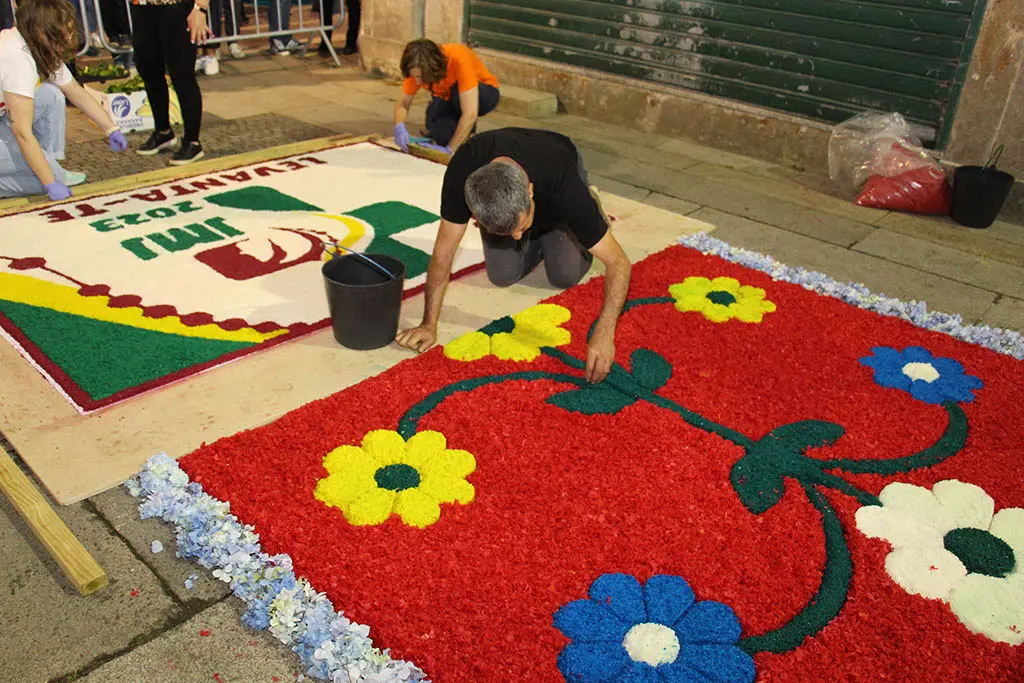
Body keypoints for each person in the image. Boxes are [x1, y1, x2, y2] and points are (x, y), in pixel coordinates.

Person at [395, 128, 631, 384]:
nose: (517, 238)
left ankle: (584, 215)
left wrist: (605, 332)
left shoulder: (560, 176)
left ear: (530, 190)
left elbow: (619, 263)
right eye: (509, 231)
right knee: (502, 275)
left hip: (558, 192)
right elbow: (443, 254)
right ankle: (532, 232)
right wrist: (429, 323)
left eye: (520, 227)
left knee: (563, 274)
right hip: (519, 201)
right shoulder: (463, 173)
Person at [0, 0, 128, 199]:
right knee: (41, 179)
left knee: (51, 95)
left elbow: (75, 92)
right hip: (9, 123)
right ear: (43, 32)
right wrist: (49, 182)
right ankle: (43, 171)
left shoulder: (36, 44)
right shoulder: (17, 59)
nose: (69, 38)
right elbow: (22, 132)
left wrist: (110, 128)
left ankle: (47, 162)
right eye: (64, 32)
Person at [130, 0, 208, 164]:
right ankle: (163, 131)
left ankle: (192, 142)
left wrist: (200, 8)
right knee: (149, 71)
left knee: (182, 74)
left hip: (178, 8)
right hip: (143, 7)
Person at [393, 39, 499, 155]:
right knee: (442, 136)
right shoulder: (415, 68)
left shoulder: (458, 58)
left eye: (420, 77)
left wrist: (450, 149)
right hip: (447, 98)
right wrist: (399, 126)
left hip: (482, 94)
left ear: (431, 69)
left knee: (457, 95)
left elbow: (470, 113)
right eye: (414, 77)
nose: (417, 82)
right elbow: (403, 103)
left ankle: (468, 132)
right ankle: (451, 124)